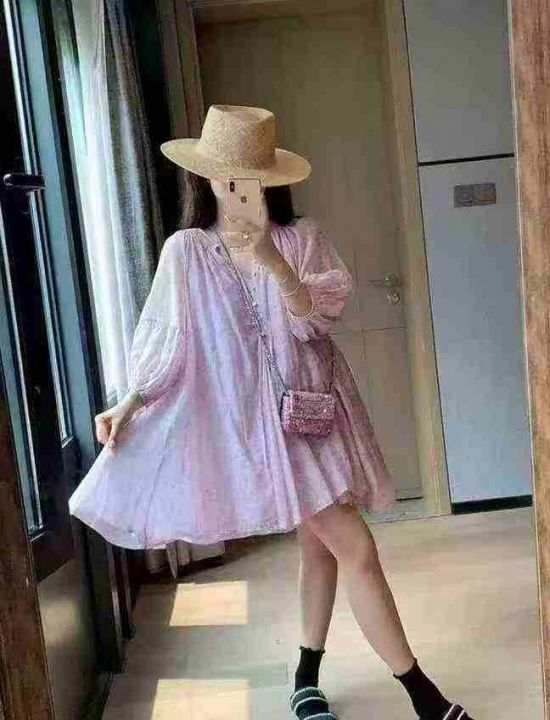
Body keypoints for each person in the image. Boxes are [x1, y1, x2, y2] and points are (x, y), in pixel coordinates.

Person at [69, 104, 473, 720]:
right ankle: (425, 698)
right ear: (205, 178)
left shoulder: (300, 238)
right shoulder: (186, 251)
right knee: (355, 548)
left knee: (322, 548)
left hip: (314, 415)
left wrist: (273, 261)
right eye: (224, 175)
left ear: (269, 181)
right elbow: (171, 343)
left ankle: (306, 679)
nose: (235, 187)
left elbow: (315, 325)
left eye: (248, 177)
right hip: (256, 430)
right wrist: (131, 401)